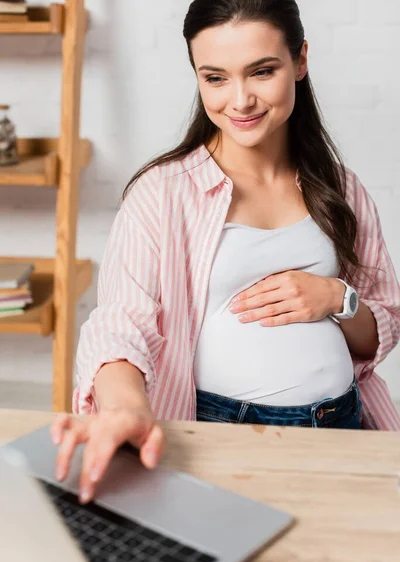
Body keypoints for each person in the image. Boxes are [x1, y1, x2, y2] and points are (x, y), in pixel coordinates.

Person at [52, 0, 400, 504]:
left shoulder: (340, 187)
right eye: (215, 78)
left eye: (262, 71)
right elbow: (121, 324)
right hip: (224, 426)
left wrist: (336, 297)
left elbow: (381, 328)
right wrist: (125, 407)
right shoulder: (163, 192)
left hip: (341, 422)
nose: (240, 100)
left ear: (300, 61)